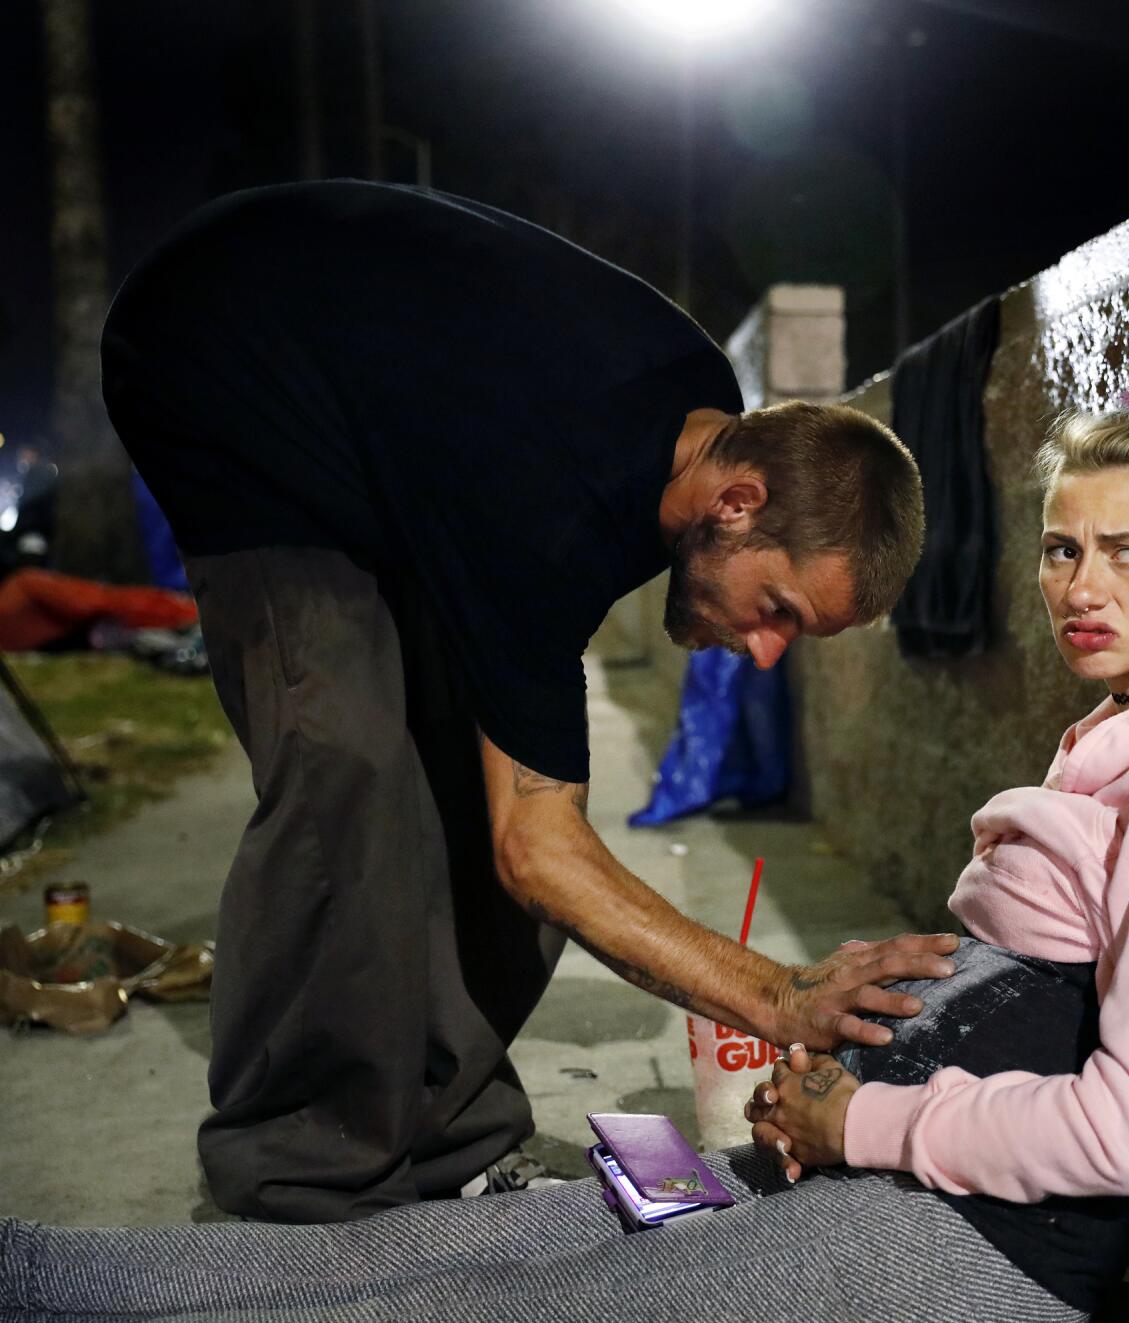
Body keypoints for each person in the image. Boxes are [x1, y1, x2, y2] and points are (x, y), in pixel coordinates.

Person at [2, 359, 1129, 1323]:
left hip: (966, 1244)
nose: (1083, 587)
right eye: (1060, 549)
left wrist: (866, 1114)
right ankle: (40, 1276)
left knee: (497, 1313)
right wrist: (826, 1090)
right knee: (520, 1231)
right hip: (873, 1168)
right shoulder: (1127, 730)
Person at [95, 181, 956, 1225]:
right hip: (221, 355)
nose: (764, 652)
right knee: (349, 764)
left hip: (394, 430)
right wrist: (776, 996)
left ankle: (449, 1132)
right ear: (736, 502)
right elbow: (537, 851)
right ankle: (294, 1170)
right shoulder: (549, 501)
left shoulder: (693, 416)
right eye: (775, 609)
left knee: (482, 774)